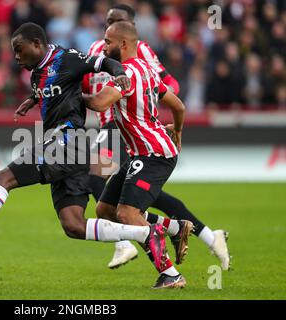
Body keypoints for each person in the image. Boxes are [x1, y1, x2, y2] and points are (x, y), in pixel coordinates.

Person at [0, 22, 176, 287]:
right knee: (74, 226)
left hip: (68, 143)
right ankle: (146, 235)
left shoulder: (67, 58)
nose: (17, 58)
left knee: (4, 178)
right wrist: (33, 99)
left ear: (36, 44)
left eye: (20, 51)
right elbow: (53, 90)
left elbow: (105, 63)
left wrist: (121, 74)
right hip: (70, 149)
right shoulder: (36, 73)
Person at [82, 4, 230, 271]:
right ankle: (194, 232)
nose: (107, 30)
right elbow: (177, 104)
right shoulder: (97, 51)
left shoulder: (139, 58)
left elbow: (101, 101)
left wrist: (144, 109)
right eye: (107, 22)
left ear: (128, 32)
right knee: (125, 202)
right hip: (127, 134)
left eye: (115, 23)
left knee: (107, 187)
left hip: (126, 133)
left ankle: (145, 255)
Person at [82, 21, 189, 289]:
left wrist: (69, 92)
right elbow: (179, 106)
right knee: (105, 209)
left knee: (129, 214)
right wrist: (177, 130)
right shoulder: (148, 70)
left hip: (153, 153)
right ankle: (175, 228)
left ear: (124, 44)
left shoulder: (126, 74)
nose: (104, 46)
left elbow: (98, 103)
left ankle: (171, 275)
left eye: (108, 42)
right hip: (142, 152)